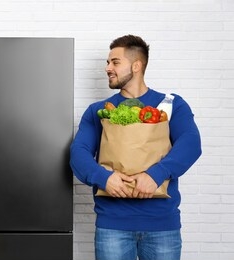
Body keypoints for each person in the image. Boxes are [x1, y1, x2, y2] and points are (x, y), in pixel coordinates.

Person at [70, 35, 202, 260]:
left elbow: (191, 144)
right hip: (112, 226)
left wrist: (155, 175)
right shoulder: (99, 111)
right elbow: (78, 153)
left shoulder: (170, 105)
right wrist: (104, 178)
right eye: (107, 62)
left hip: (163, 226)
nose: (107, 68)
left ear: (136, 65)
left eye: (115, 62)